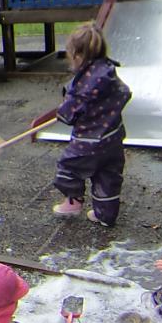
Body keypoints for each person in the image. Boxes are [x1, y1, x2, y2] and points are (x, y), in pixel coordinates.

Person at [52, 21, 132, 227]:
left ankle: (73, 201)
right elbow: (124, 93)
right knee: (108, 175)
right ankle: (105, 215)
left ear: (77, 55)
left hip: (88, 141)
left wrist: (62, 114)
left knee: (68, 168)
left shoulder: (83, 83)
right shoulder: (108, 71)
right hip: (113, 138)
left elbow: (70, 112)